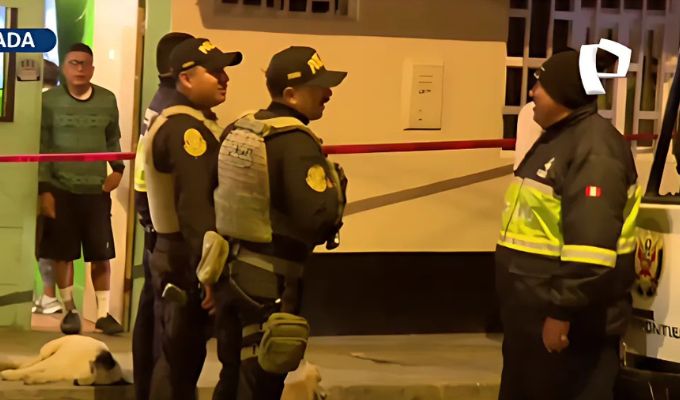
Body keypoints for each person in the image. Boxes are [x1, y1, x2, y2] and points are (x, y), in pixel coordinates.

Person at [495, 49, 640, 400]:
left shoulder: (594, 150)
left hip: (571, 328)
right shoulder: (558, 138)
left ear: (564, 91)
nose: (532, 93)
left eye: (540, 85)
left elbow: (591, 247)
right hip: (531, 321)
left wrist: (561, 313)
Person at [210, 46, 347, 400]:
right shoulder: (295, 141)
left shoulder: (241, 128)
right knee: (261, 382)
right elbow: (316, 219)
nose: (328, 93)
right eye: (319, 87)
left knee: (233, 376)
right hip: (270, 282)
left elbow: (213, 190)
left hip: (229, 275)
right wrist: (335, 194)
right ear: (291, 94)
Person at [143, 37, 242, 400]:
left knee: (180, 357)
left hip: (181, 252)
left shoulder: (193, 120)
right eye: (214, 71)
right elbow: (196, 207)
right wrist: (208, 273)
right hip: (184, 255)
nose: (224, 78)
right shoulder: (185, 129)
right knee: (179, 360)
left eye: (224, 70)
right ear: (185, 78)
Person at [38, 43, 125, 335]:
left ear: (92, 68)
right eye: (74, 63)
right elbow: (41, 146)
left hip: (96, 189)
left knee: (101, 252)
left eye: (85, 63)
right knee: (63, 252)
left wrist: (118, 169)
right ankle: (69, 310)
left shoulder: (107, 99)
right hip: (60, 187)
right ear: (64, 68)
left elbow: (113, 138)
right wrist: (44, 189)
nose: (79, 69)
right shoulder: (48, 102)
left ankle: (102, 314)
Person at [131, 31, 194, 400]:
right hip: (169, 231)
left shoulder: (161, 102)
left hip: (154, 224)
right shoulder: (175, 113)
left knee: (151, 316)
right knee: (168, 332)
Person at [33, 59, 65, 316]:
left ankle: (46, 296)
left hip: (39, 181)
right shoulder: (63, 104)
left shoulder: (37, 104)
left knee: (40, 239)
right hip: (62, 181)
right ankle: (47, 295)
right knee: (51, 239)